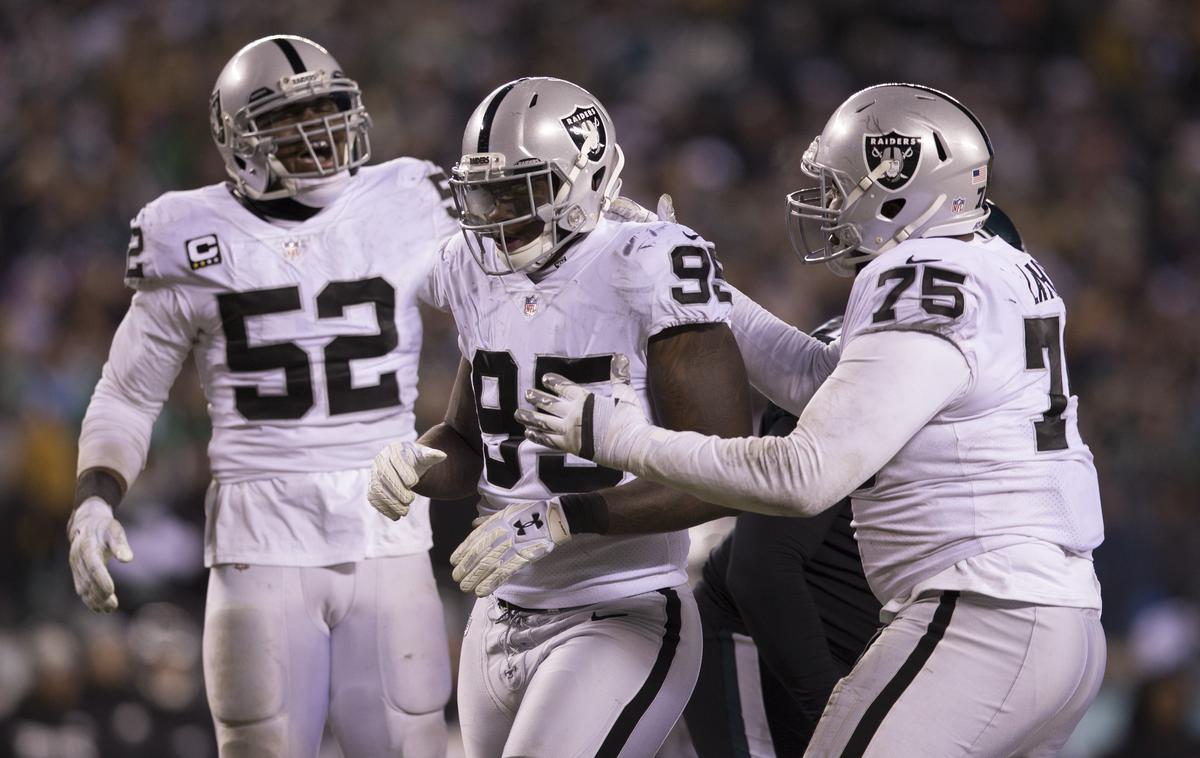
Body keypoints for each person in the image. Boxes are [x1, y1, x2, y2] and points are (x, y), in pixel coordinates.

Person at [495, 83, 1108, 756]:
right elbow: (823, 384)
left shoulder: (918, 271)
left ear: (901, 184)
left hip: (981, 618)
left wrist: (622, 439)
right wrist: (697, 282)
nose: (828, 204)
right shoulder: (1000, 264)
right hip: (1062, 620)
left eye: (841, 186)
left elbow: (803, 474)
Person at [66, 35, 458, 757]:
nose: (318, 134)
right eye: (289, 119)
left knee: (410, 743)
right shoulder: (185, 228)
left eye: (329, 112)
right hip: (260, 534)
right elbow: (127, 392)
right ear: (236, 138)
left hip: (389, 523)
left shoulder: (407, 196)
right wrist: (96, 494)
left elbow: (510, 295)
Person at [366, 76, 753, 757]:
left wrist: (566, 516)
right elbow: (469, 439)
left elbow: (725, 470)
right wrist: (422, 459)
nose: (498, 211)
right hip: (496, 611)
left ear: (586, 173)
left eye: (522, 189)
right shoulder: (471, 264)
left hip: (621, 604)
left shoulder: (649, 263)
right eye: (487, 191)